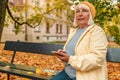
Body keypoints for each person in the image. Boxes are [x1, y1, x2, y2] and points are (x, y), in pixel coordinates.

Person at [51, 1, 108, 80]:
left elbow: (97, 58)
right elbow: (71, 52)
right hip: (68, 74)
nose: (80, 14)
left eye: (84, 11)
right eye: (77, 11)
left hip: (85, 77)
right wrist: (63, 54)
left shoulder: (97, 32)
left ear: (91, 15)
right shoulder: (73, 31)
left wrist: (70, 59)